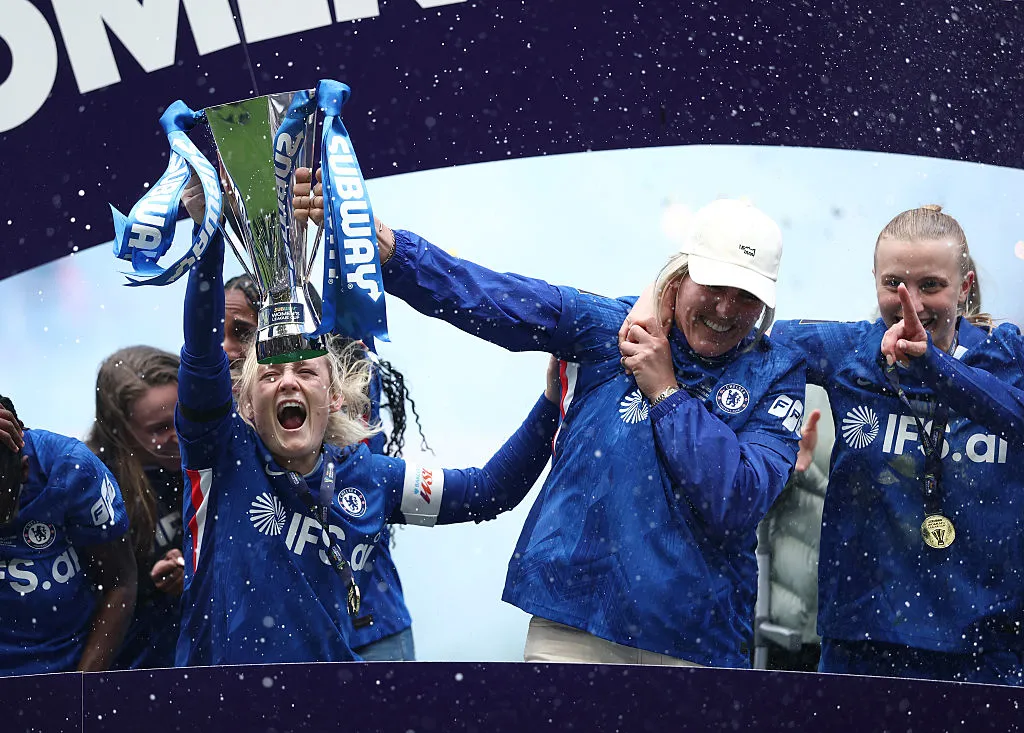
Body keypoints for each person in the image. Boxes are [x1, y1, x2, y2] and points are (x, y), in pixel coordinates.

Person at [298, 168, 806, 667]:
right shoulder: (609, 328)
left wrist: (666, 391)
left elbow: (734, 500)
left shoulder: (777, 374)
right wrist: (384, 249)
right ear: (679, 276)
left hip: (697, 641)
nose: (725, 308)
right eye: (713, 285)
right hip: (571, 627)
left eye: (747, 297)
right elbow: (486, 296)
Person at [171, 220, 561, 665]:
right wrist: (210, 231)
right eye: (270, 374)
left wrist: (553, 400)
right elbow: (201, 353)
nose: (287, 382)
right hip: (216, 703)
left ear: (335, 396)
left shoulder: (370, 476)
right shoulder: (221, 454)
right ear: (243, 401)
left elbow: (487, 491)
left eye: (306, 371)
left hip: (330, 702)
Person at [765, 206, 1024, 685]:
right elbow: (744, 332)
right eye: (894, 284)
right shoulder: (848, 353)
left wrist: (935, 366)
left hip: (986, 650)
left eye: (931, 285)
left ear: (965, 287)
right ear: (875, 280)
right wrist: (656, 302)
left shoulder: (1007, 356)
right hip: (863, 643)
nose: (912, 302)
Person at [214, 269, 428, 661]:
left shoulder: (340, 390)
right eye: (220, 332)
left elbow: (361, 484)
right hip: (294, 642)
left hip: (373, 623)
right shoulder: (223, 426)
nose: (227, 347)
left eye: (243, 332)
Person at [0, 394, 137, 675]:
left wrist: (78, 690)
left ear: (24, 471)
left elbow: (120, 583)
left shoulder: (71, 468)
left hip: (64, 670)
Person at [87, 346, 186, 669]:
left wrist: (197, 570)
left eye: (182, 417)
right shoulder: (92, 485)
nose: (178, 435)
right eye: (159, 429)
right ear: (121, 431)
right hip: (136, 668)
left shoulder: (216, 453)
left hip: (204, 658)